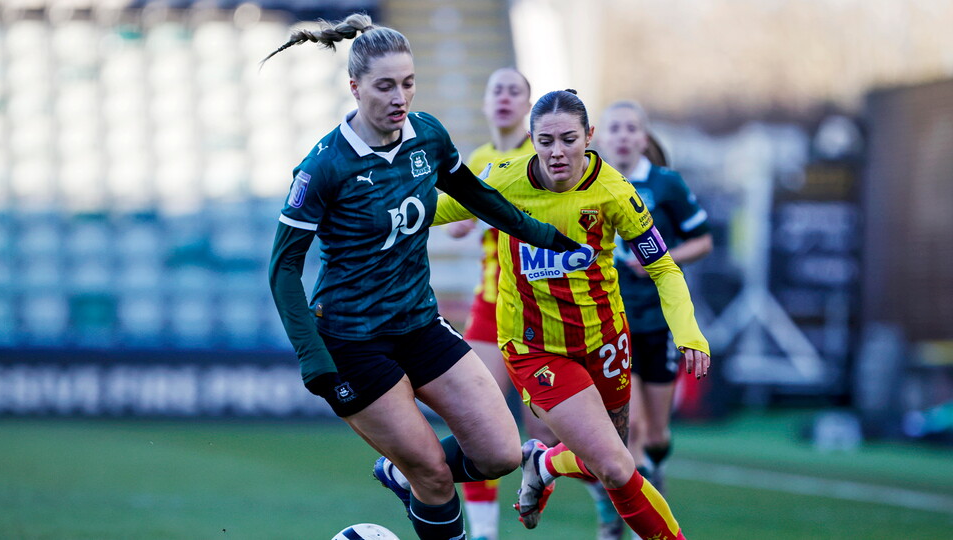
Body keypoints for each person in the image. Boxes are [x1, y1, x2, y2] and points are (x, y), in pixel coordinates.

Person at [263, 15, 578, 540]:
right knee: (434, 474)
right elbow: (283, 269)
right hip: (352, 343)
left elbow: (475, 194)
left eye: (408, 83)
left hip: (419, 325)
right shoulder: (322, 168)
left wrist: (542, 234)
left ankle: (397, 472)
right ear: (355, 87)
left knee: (500, 453)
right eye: (385, 85)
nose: (399, 96)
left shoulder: (427, 135)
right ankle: (416, 477)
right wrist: (312, 357)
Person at [433, 89, 711, 539]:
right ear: (531, 139)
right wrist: (360, 209)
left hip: (604, 340)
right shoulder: (502, 179)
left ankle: (544, 462)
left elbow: (662, 266)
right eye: (545, 141)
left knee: (611, 458)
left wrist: (689, 332)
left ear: (589, 137)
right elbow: (433, 209)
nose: (556, 152)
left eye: (568, 139)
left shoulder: (615, 192)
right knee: (618, 467)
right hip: (535, 347)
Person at [443, 67, 556, 540]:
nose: (506, 98)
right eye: (498, 91)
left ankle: (595, 509)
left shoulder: (545, 157)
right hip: (491, 304)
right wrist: (462, 222)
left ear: (527, 105)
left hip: (542, 308)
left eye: (516, 91)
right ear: (487, 105)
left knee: (545, 433)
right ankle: (484, 533)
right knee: (478, 420)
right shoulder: (481, 159)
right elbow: (457, 219)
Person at [598, 101, 713, 497]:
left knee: (658, 433)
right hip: (612, 321)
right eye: (615, 129)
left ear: (644, 138)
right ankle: (635, 506)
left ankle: (654, 466)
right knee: (634, 427)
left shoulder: (666, 184)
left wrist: (659, 262)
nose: (623, 136)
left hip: (659, 319)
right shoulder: (589, 183)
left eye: (631, 129)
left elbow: (703, 241)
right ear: (600, 137)